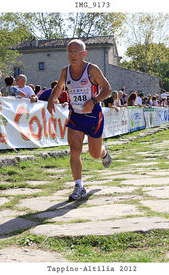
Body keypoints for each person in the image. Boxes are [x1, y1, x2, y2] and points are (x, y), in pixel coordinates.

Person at [47, 39, 112, 201]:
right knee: (75, 151)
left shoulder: (92, 70)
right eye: (70, 52)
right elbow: (59, 86)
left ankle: (104, 152)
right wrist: (51, 99)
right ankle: (78, 185)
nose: (73, 55)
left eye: (76, 52)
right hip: (75, 116)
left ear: (84, 54)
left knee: (94, 154)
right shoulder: (65, 71)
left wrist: (94, 100)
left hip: (93, 116)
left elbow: (108, 89)